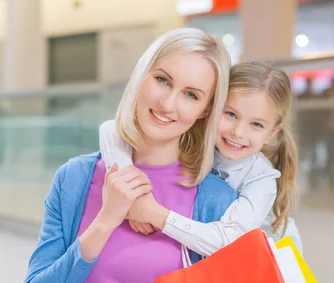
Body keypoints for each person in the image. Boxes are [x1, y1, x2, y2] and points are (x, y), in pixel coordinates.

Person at [21, 28, 235, 283]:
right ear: (142, 76)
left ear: (205, 111)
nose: (168, 103)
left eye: (190, 95)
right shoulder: (75, 181)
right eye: (162, 80)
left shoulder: (215, 201)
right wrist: (106, 219)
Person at [101, 61, 302, 255]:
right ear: (211, 108)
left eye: (256, 125)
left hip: (270, 270)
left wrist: (153, 213)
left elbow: (228, 241)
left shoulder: (261, 179)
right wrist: (134, 192)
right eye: (230, 114)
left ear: (272, 133)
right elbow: (111, 129)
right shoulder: (195, 140)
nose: (238, 132)